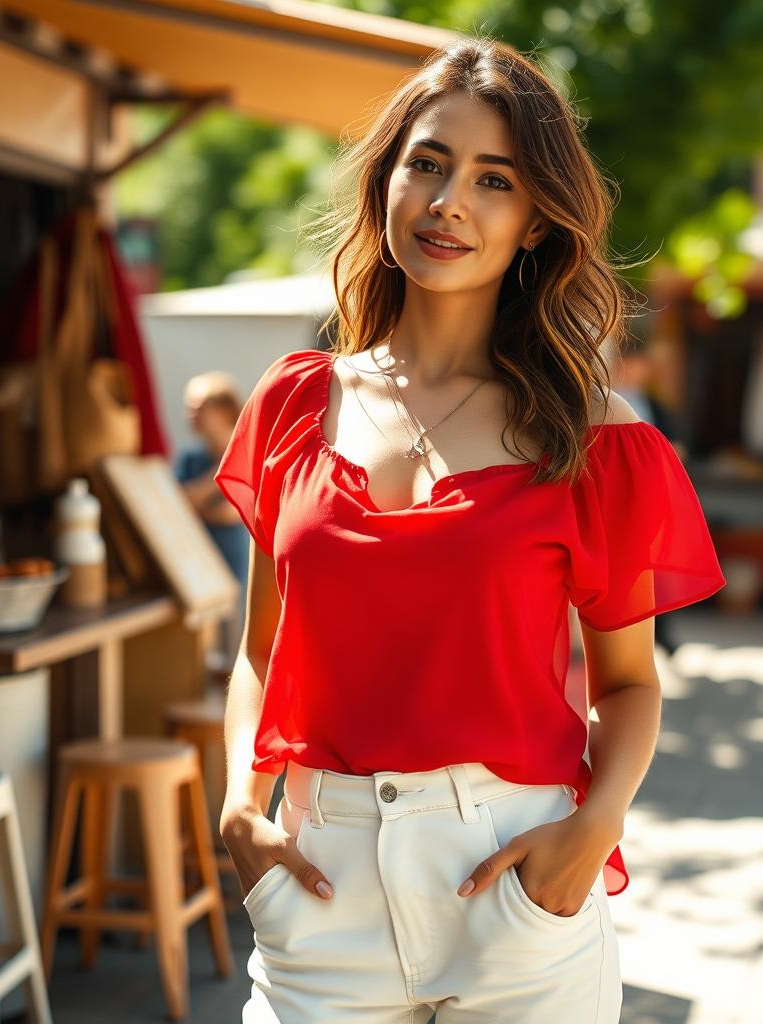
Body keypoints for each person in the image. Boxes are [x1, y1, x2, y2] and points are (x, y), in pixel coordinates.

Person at [214, 36, 726, 1024]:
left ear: (534, 222)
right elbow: (259, 653)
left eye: (495, 180)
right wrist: (240, 802)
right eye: (428, 163)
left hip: (513, 884)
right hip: (322, 887)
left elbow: (627, 684)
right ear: (387, 184)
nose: (450, 201)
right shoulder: (291, 403)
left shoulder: (591, 438)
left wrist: (594, 827)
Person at [610, 342, 689, 658]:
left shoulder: (653, 404)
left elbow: (677, 445)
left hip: (649, 493)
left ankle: (662, 633)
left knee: (652, 566)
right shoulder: (604, 399)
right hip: (615, 495)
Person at [175, 370, 250, 656]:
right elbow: (178, 505)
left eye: (198, 407)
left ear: (223, 410)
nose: (189, 414)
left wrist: (197, 502)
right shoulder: (191, 459)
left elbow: (234, 512)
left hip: (233, 568)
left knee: (232, 650)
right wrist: (223, 470)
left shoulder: (248, 452)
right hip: (196, 572)